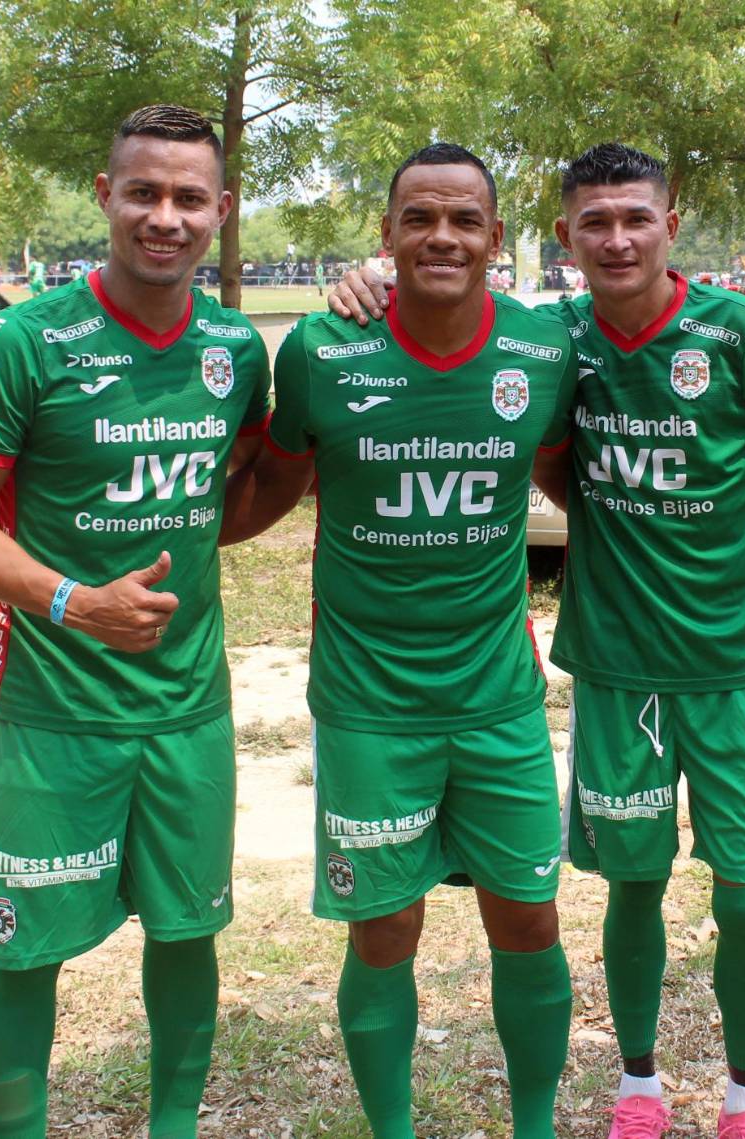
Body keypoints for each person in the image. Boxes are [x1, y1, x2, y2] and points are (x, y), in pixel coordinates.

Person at [328, 141, 745, 1139]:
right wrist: (366, 281)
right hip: (613, 670)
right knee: (634, 882)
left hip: (733, 671)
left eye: (636, 218)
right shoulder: (556, 337)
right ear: (565, 236)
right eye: (596, 222)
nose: (617, 238)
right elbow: (545, 443)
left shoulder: (737, 331)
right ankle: (639, 1084)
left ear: (670, 223)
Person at [0, 104, 271, 1139]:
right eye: (145, 193)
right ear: (107, 196)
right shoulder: (26, 340)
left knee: (187, 931)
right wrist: (75, 601)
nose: (166, 216)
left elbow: (238, 486)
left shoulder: (235, 348)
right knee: (26, 951)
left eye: (189, 198)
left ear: (221, 211)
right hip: (48, 708)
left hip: (188, 708)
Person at [220, 142, 580, 1139]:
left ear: (497, 239)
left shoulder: (542, 349)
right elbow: (262, 492)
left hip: (499, 695)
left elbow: (572, 473)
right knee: (386, 926)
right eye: (419, 216)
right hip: (370, 704)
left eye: (465, 219)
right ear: (384, 236)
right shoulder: (323, 352)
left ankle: (536, 1122)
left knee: (529, 918)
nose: (442, 236)